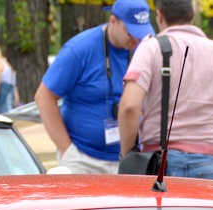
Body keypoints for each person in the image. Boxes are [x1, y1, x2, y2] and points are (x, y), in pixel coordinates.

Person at [117, 0, 213, 180]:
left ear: (159, 15)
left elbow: (129, 107)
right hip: (208, 160)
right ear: (193, 15)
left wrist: (128, 154)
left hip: (159, 162)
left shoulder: (151, 48)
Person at [34, 0, 154, 174]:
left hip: (127, 158)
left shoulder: (143, 47)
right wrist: (67, 151)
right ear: (113, 20)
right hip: (83, 159)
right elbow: (43, 97)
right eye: (130, 31)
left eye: (140, 32)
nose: (135, 38)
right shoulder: (80, 49)